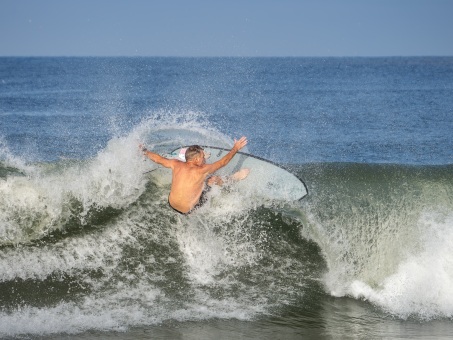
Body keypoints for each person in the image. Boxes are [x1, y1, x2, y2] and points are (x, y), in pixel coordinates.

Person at [141, 137, 249, 214]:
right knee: (212, 179)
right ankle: (234, 178)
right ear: (197, 159)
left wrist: (144, 151)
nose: (203, 159)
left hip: (171, 204)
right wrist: (235, 148)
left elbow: (158, 159)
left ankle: (196, 158)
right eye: (202, 156)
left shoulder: (175, 164)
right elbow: (222, 163)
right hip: (189, 209)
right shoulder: (202, 170)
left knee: (197, 177)